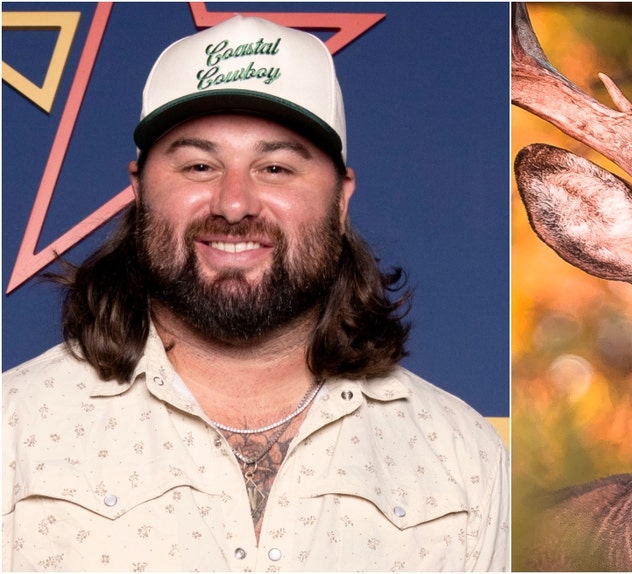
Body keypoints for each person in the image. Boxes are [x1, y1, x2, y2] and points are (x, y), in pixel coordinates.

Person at [2, 15, 508, 571]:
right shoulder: (15, 428)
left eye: (275, 167)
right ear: (138, 190)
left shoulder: (464, 456)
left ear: (341, 200)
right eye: (199, 165)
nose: (234, 203)